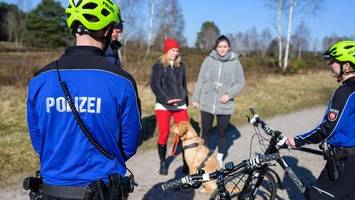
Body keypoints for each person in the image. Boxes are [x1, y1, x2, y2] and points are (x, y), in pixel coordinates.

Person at [26, 0, 141, 199]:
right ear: (106, 31)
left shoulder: (39, 80)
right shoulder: (121, 82)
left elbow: (39, 141)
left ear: (74, 29)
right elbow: (129, 143)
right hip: (102, 190)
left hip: (51, 190)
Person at [286, 40, 355, 200]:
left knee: (316, 196)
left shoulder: (345, 92)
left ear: (346, 65)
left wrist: (298, 140)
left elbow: (327, 128)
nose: (330, 64)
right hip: (348, 160)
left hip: (346, 162)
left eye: (333, 61)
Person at [192, 35, 245, 167]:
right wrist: (196, 98)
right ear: (216, 48)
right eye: (220, 46)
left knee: (222, 131)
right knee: (205, 131)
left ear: (229, 48)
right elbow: (201, 80)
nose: (222, 49)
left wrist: (229, 95)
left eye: (225, 46)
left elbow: (240, 82)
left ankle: (220, 158)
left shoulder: (235, 62)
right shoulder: (208, 60)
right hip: (207, 100)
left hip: (224, 103)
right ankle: (203, 156)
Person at [150, 38, 189, 175]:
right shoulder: (158, 66)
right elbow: (155, 85)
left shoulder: (181, 65)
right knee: (164, 134)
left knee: (185, 134)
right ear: (166, 51)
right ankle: (163, 163)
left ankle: (187, 163)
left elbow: (184, 84)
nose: (175, 53)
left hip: (180, 105)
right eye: (173, 50)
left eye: (177, 50)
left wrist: (185, 101)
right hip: (163, 105)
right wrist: (166, 100)